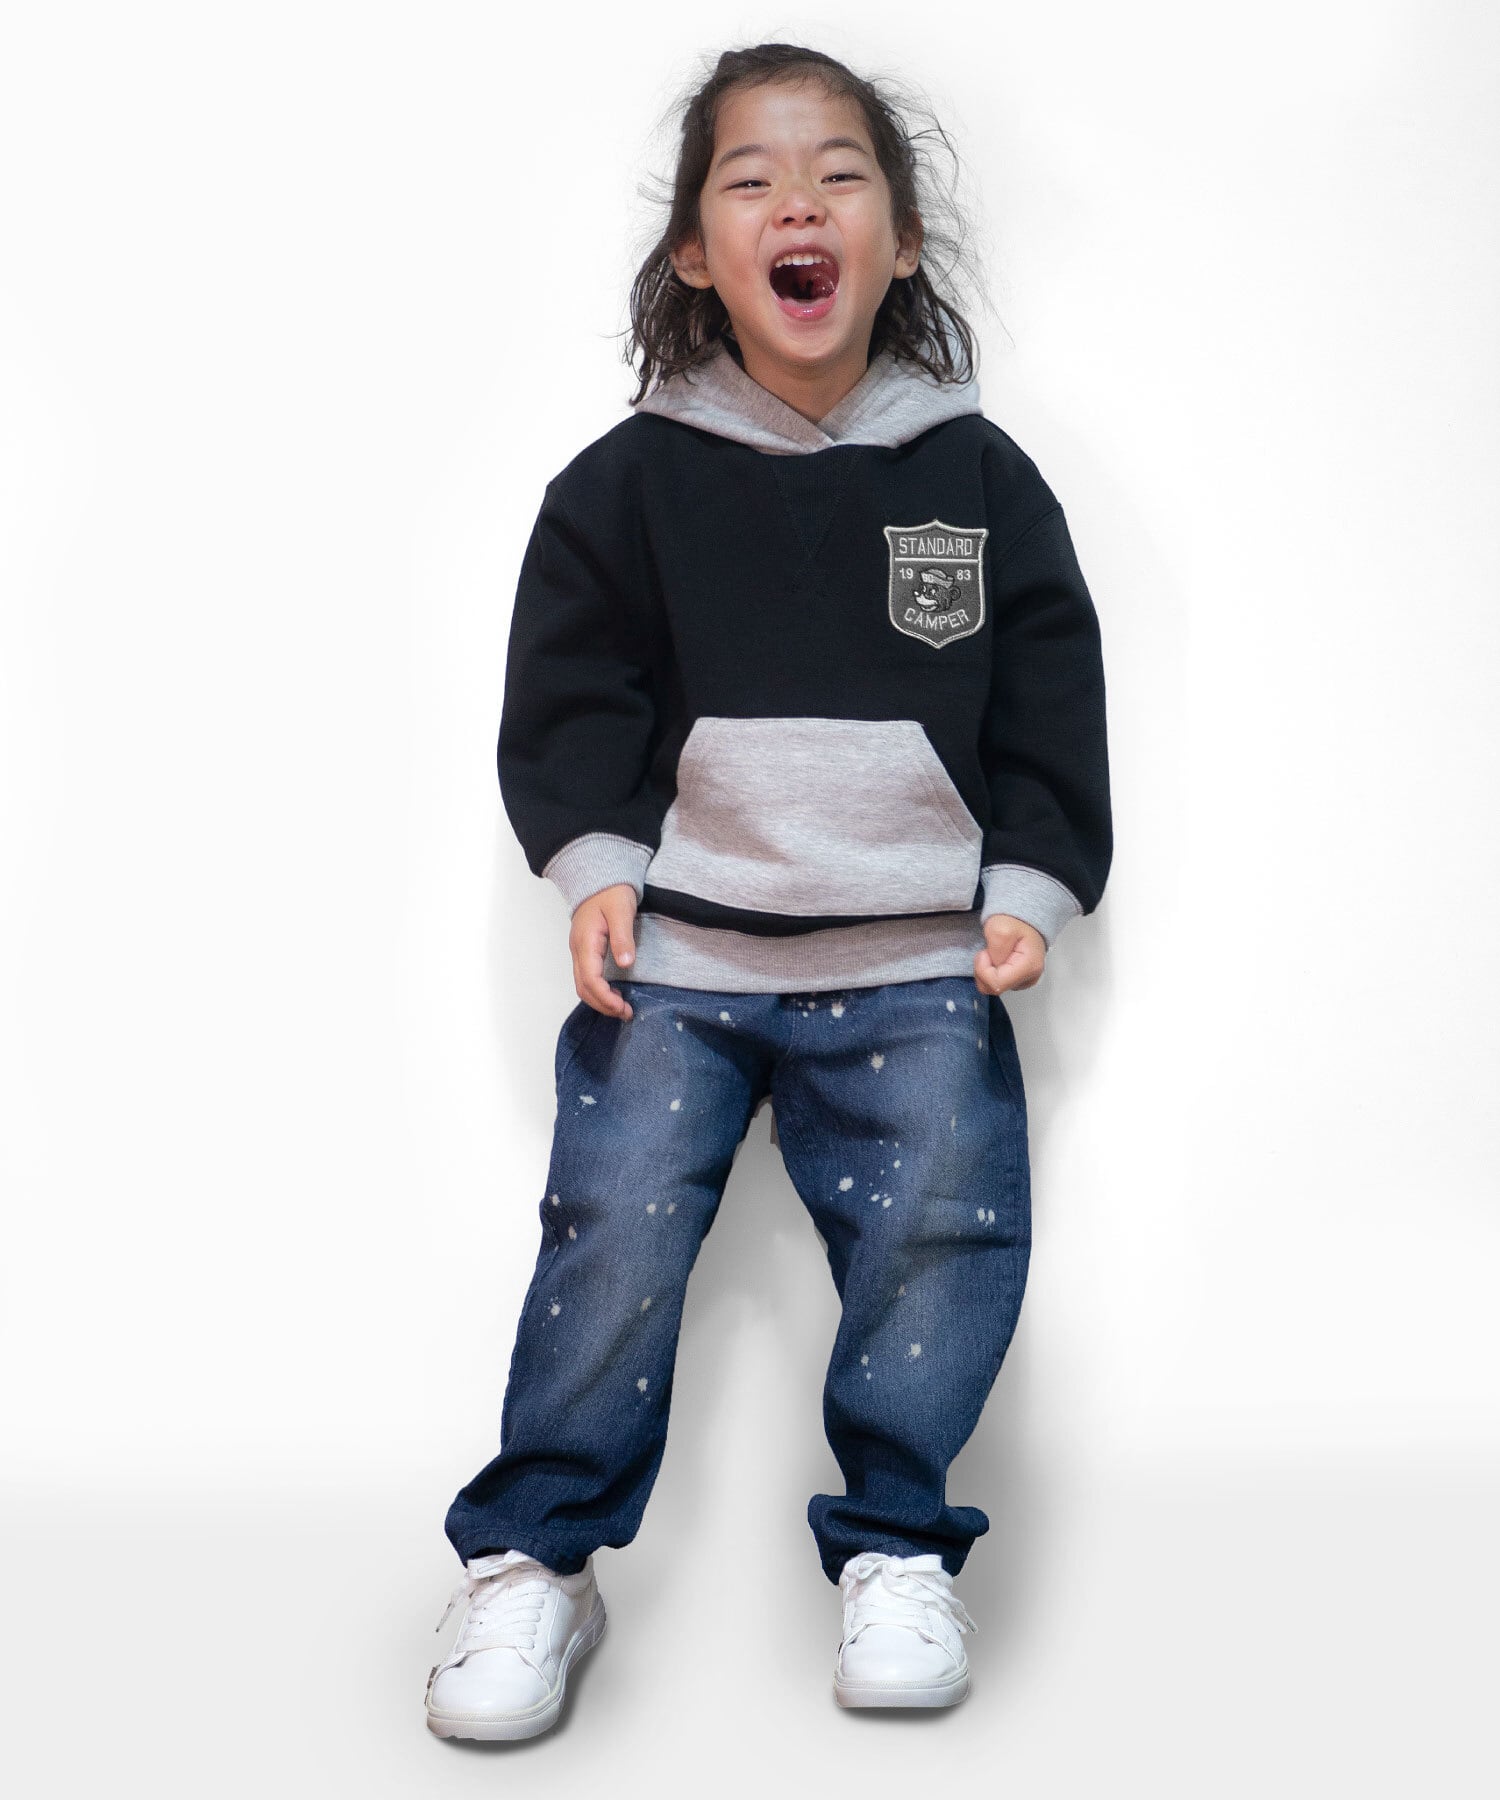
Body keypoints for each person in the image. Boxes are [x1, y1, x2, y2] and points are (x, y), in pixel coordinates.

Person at [425, 41, 1112, 1740]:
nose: (798, 200)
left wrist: (1031, 875)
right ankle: (531, 1561)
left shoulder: (976, 477)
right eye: (751, 179)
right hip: (680, 961)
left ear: (901, 243)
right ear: (695, 255)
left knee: (938, 1236)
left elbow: (1050, 693)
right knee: (611, 1240)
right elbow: (573, 690)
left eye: (840, 174)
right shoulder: (628, 484)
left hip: (918, 962)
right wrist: (594, 863)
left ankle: (898, 1546)